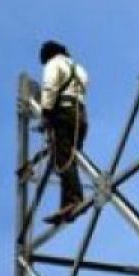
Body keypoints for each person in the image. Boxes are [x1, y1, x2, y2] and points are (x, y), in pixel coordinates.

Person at [39, 40, 89, 225]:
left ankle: (75, 199)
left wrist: (45, 112)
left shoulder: (54, 64)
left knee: (63, 158)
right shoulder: (79, 68)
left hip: (64, 113)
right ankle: (67, 204)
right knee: (68, 159)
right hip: (80, 115)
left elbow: (50, 87)